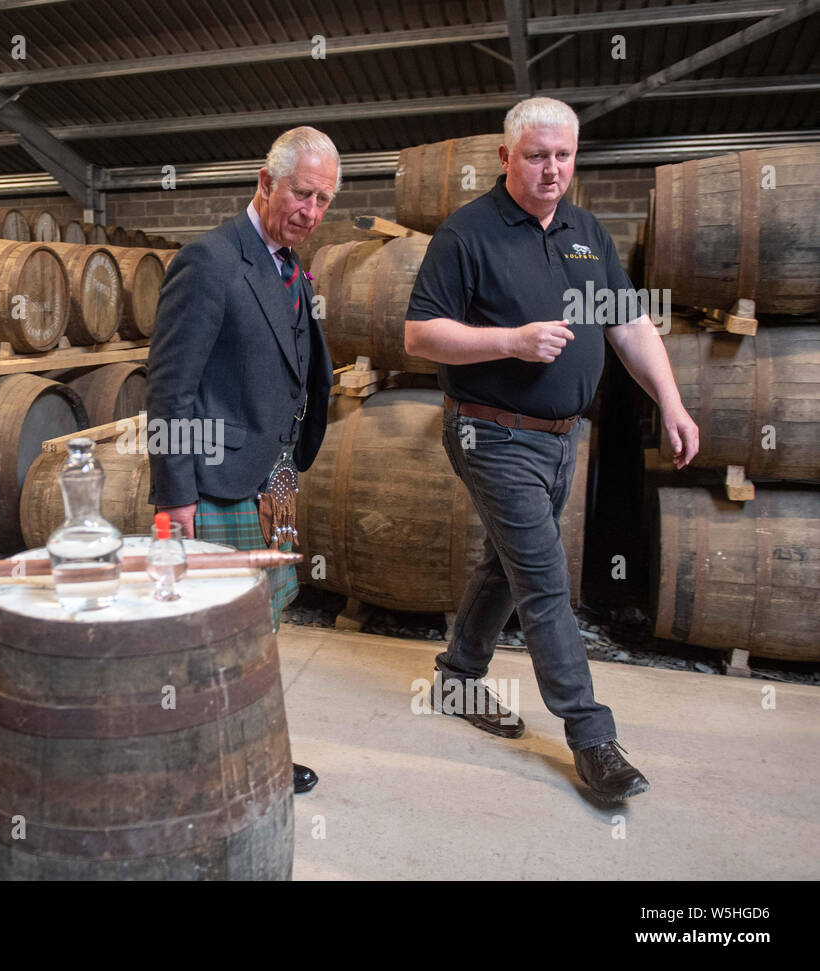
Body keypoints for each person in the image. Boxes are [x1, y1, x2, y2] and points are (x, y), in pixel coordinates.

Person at [404, 97, 699, 802]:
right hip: (490, 431)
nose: (553, 169)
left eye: (564, 155)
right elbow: (419, 334)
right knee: (544, 581)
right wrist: (508, 341)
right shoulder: (467, 233)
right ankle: (592, 735)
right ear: (506, 157)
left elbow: (629, 326)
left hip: (564, 439)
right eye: (537, 155)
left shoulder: (585, 231)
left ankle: (456, 678)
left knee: (505, 565)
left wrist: (673, 400)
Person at [146, 126, 338, 795]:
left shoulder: (291, 266)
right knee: (208, 642)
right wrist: (173, 500)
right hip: (215, 485)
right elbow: (170, 385)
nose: (311, 211)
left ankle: (255, 756)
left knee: (262, 633)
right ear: (266, 181)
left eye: (323, 201)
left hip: (274, 482)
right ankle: (196, 770)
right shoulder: (210, 261)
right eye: (302, 194)